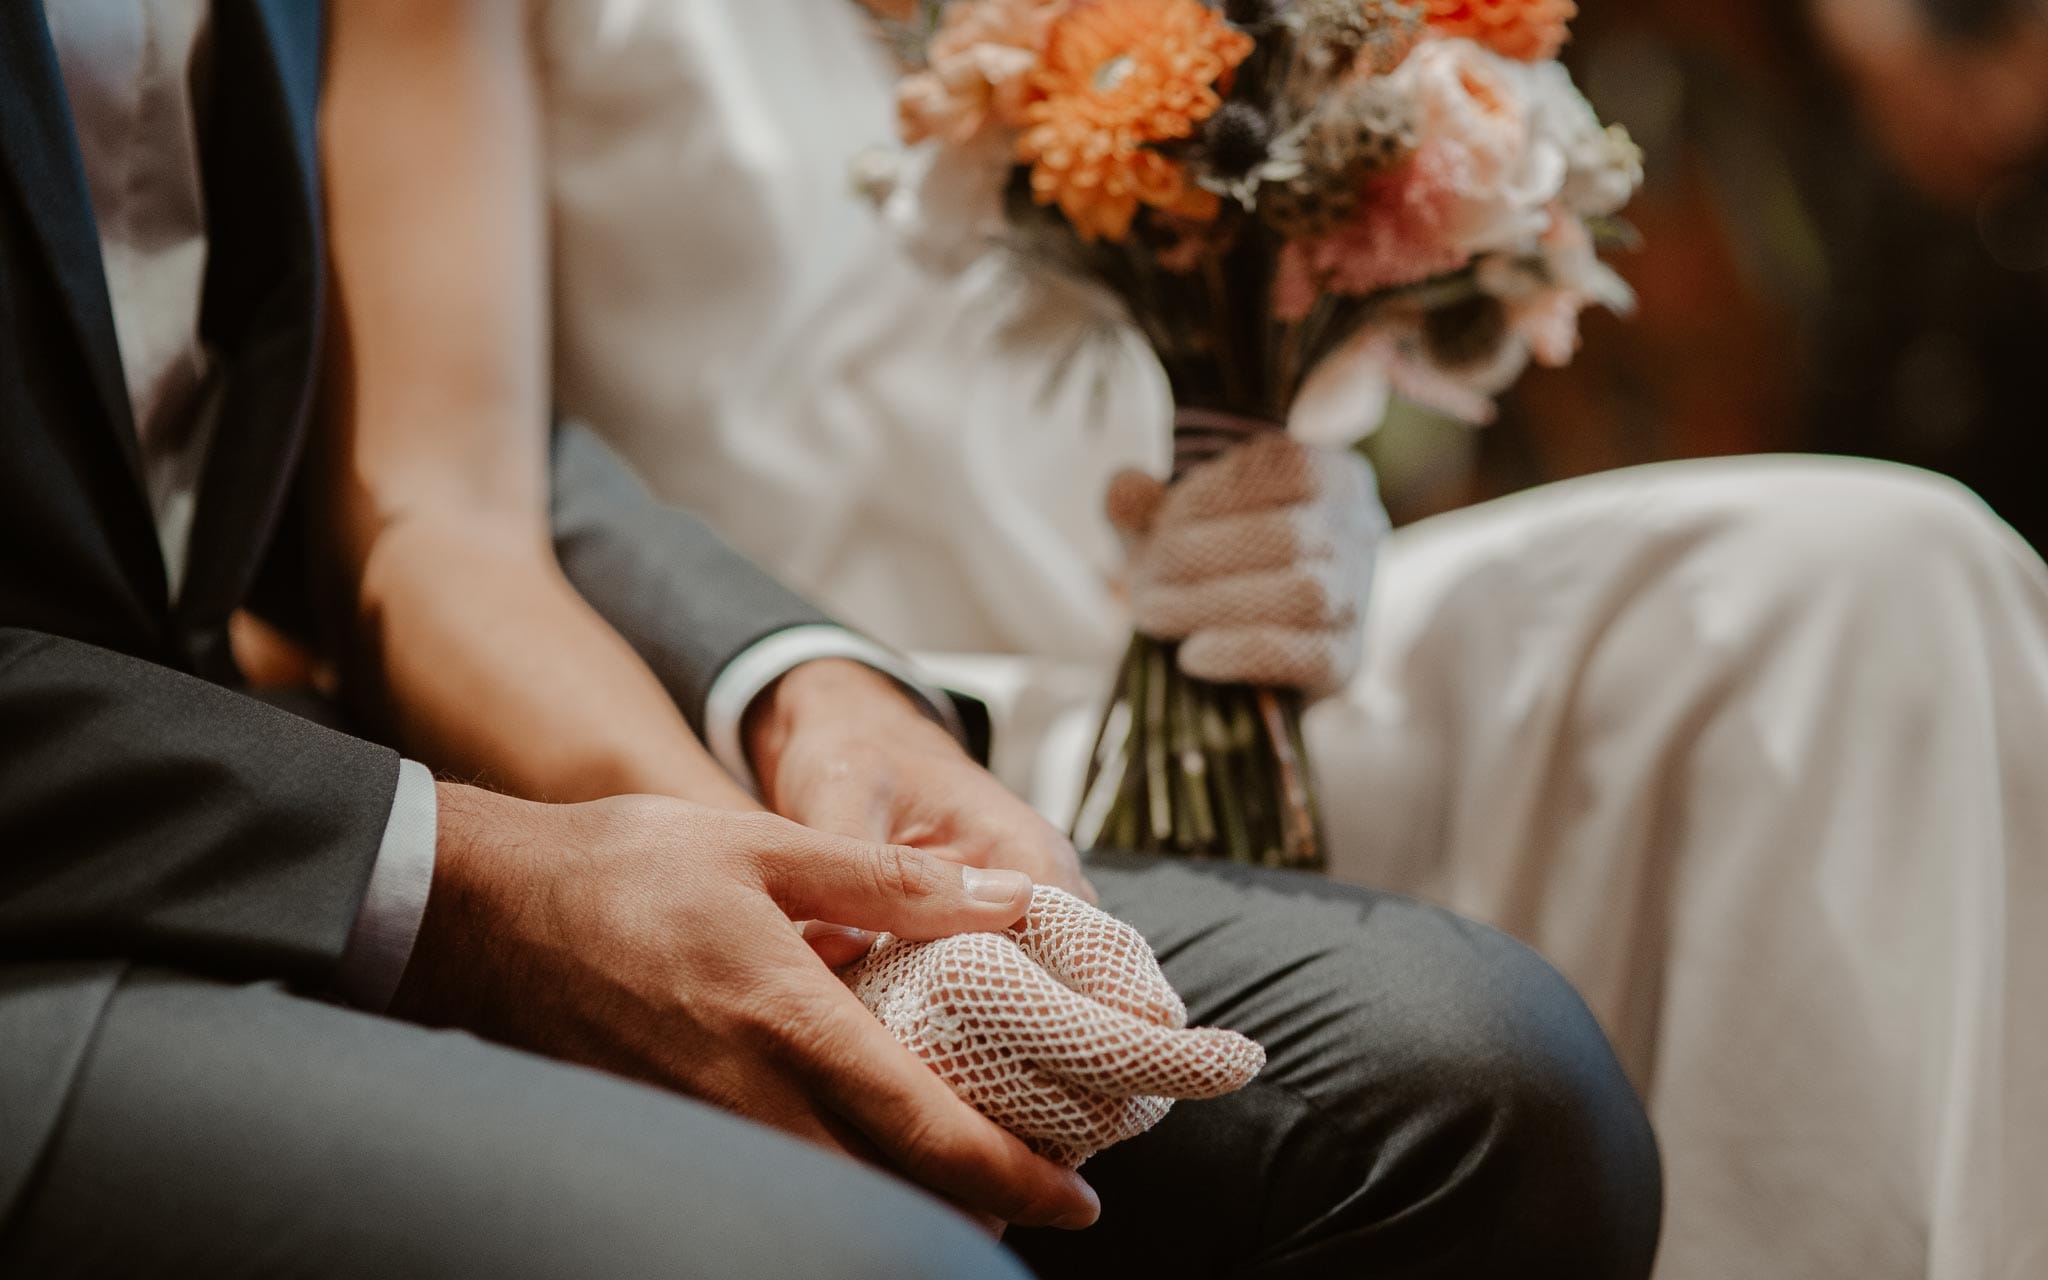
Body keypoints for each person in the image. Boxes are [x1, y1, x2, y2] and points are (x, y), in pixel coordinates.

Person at [0, 3, 1660, 1276]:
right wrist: (468, 880)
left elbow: (435, 486)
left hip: (413, 746)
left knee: (1483, 1081)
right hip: (64, 904)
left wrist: (788, 743)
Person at [532, 2, 2048, 1278]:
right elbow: (441, 487)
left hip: (1239, 683)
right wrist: (781, 699)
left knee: (1883, 576)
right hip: (861, 748)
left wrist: (1309, 499)